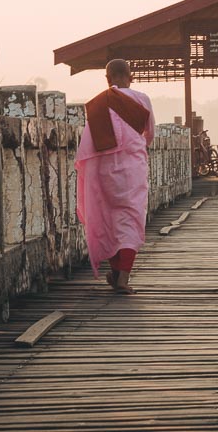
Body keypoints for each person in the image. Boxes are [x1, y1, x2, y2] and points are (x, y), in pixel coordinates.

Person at [74, 59, 155, 295]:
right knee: (131, 220)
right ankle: (123, 277)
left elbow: (89, 144)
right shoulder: (143, 99)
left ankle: (116, 271)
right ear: (131, 76)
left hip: (104, 172)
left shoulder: (99, 104)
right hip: (133, 169)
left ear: (107, 79)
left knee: (108, 219)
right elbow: (149, 135)